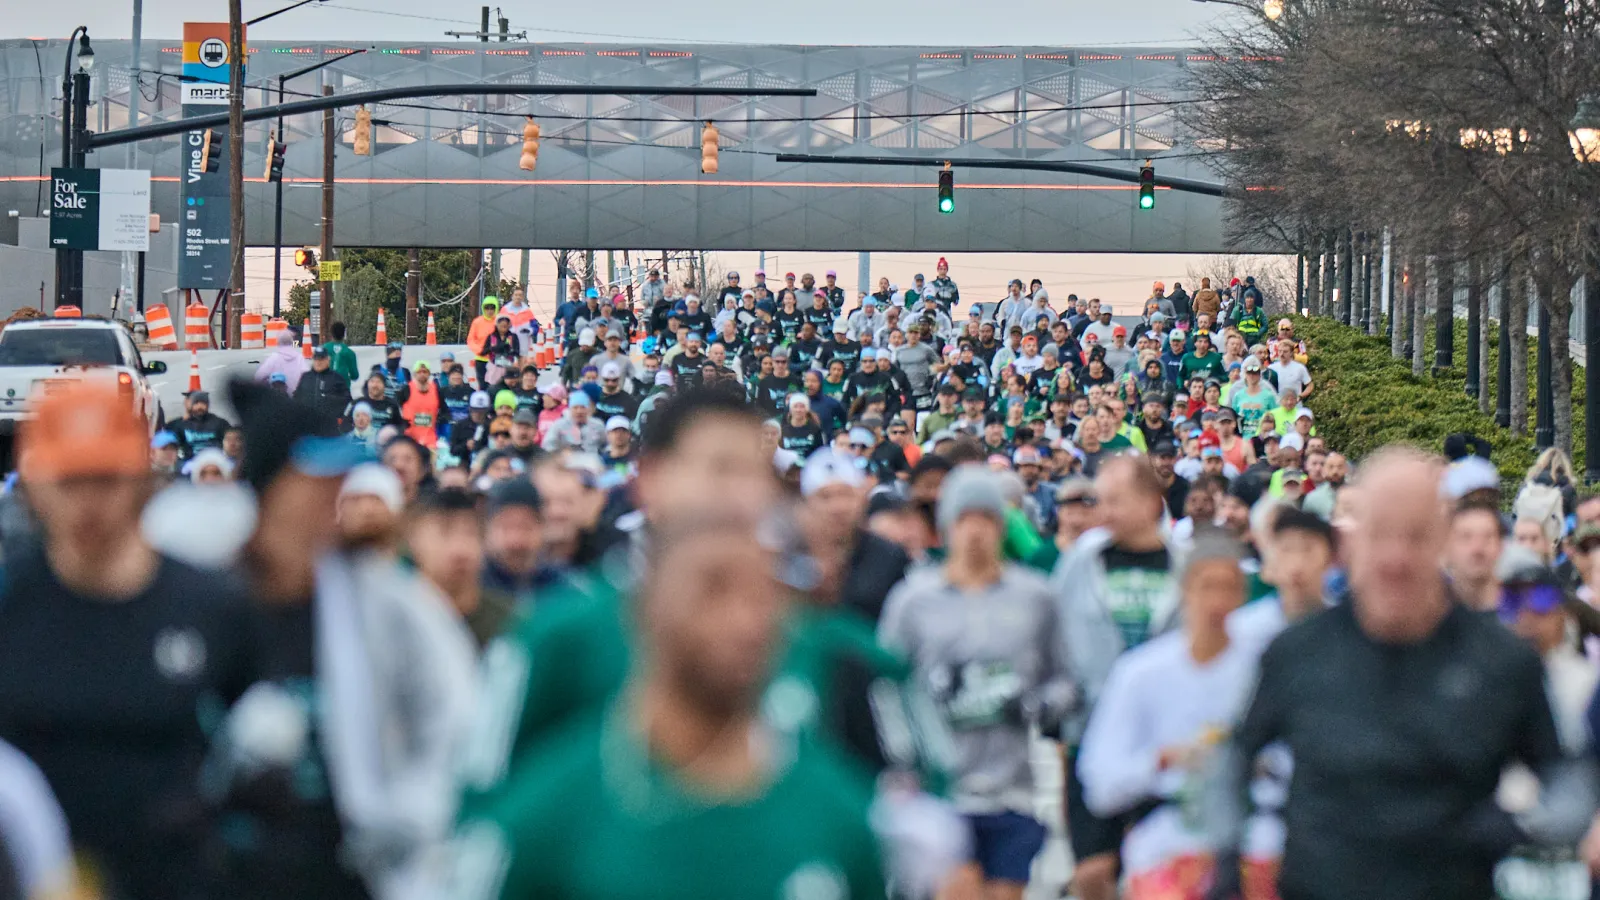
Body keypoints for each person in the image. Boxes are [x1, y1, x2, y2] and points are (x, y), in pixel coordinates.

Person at [1206, 448, 1594, 900]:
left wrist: (1520, 827)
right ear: (1353, 541)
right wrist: (1227, 861)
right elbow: (1233, 758)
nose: (1396, 557)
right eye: (1382, 535)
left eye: (1414, 536)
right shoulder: (1298, 652)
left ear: (1441, 542)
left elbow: (1568, 779)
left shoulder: (1501, 660)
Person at [449, 511, 888, 900]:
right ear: (645, 607)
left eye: (763, 595)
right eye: (712, 591)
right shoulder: (545, 820)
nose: (745, 621)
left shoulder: (841, 818)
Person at [216, 379, 477, 900]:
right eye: (315, 480)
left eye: (338, 480)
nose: (333, 497)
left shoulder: (389, 604)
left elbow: (455, 720)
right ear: (271, 487)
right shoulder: (205, 598)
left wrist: (405, 819)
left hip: (356, 874)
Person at [0, 381, 259, 900]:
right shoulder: (9, 604)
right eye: (68, 481)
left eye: (105, 479)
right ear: (32, 485)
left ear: (141, 480)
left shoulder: (214, 607)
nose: (88, 503)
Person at [878, 465, 1074, 900]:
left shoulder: (1035, 597)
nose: (976, 531)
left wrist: (1032, 705)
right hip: (941, 788)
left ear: (1002, 526)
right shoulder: (913, 601)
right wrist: (908, 746)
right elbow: (885, 686)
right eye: (965, 518)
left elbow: (1065, 680)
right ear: (947, 526)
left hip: (1014, 788)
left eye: (986, 518)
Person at [1077, 534, 1254, 900]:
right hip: (1167, 839)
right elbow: (1100, 779)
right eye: (1207, 587)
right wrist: (1161, 760)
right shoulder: (1140, 673)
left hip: (1250, 842)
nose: (1217, 602)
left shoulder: (1262, 671)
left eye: (1229, 588)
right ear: (1184, 590)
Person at [1052, 456, 1181, 900]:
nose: (1103, 511)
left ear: (1150, 502)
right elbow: (1056, 634)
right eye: (1100, 501)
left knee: (1159, 868)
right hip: (1093, 729)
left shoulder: (1185, 564)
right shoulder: (1080, 563)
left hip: (1164, 739)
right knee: (1091, 871)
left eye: (1115, 501)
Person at [293, 347, 352, 424]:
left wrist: (329, 399)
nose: (318, 362)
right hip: (306, 424)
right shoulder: (306, 377)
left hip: (328, 425)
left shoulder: (337, 378)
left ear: (328, 360)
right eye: (316, 359)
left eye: (321, 359)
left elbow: (347, 400)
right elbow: (297, 397)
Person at [173, 389, 232, 459]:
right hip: (190, 462)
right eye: (196, 403)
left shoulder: (219, 423)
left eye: (203, 403)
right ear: (191, 405)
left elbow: (233, 439)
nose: (200, 406)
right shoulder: (180, 424)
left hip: (215, 462)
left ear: (208, 405)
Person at [467, 295, 504, 387]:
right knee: (483, 385)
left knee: (496, 385)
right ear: (483, 308)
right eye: (487, 308)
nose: (489, 310)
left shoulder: (501, 321)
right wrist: (479, 350)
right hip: (481, 359)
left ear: (496, 308)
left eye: (492, 307)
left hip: (497, 359)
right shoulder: (477, 322)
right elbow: (471, 339)